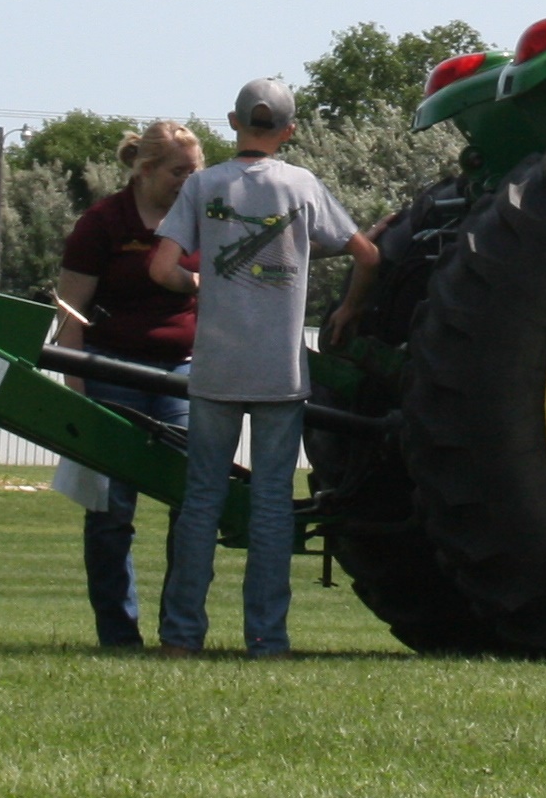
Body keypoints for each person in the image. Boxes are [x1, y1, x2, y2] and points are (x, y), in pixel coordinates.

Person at [146, 75, 376, 658]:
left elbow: (160, 269)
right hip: (280, 371)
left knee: (202, 499)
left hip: (217, 369)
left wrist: (196, 282)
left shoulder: (204, 185)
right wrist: (348, 308)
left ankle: (181, 635)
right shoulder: (301, 186)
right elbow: (366, 253)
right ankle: (266, 638)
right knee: (272, 503)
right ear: (290, 131)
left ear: (233, 122)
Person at [53, 119, 205, 650]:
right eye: (178, 171)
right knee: (112, 515)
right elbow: (69, 317)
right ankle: (118, 636)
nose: (190, 181)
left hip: (182, 374)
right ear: (144, 171)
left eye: (196, 171)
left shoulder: (203, 221)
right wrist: (80, 391)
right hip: (111, 372)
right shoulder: (103, 223)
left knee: (191, 505)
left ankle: (179, 634)